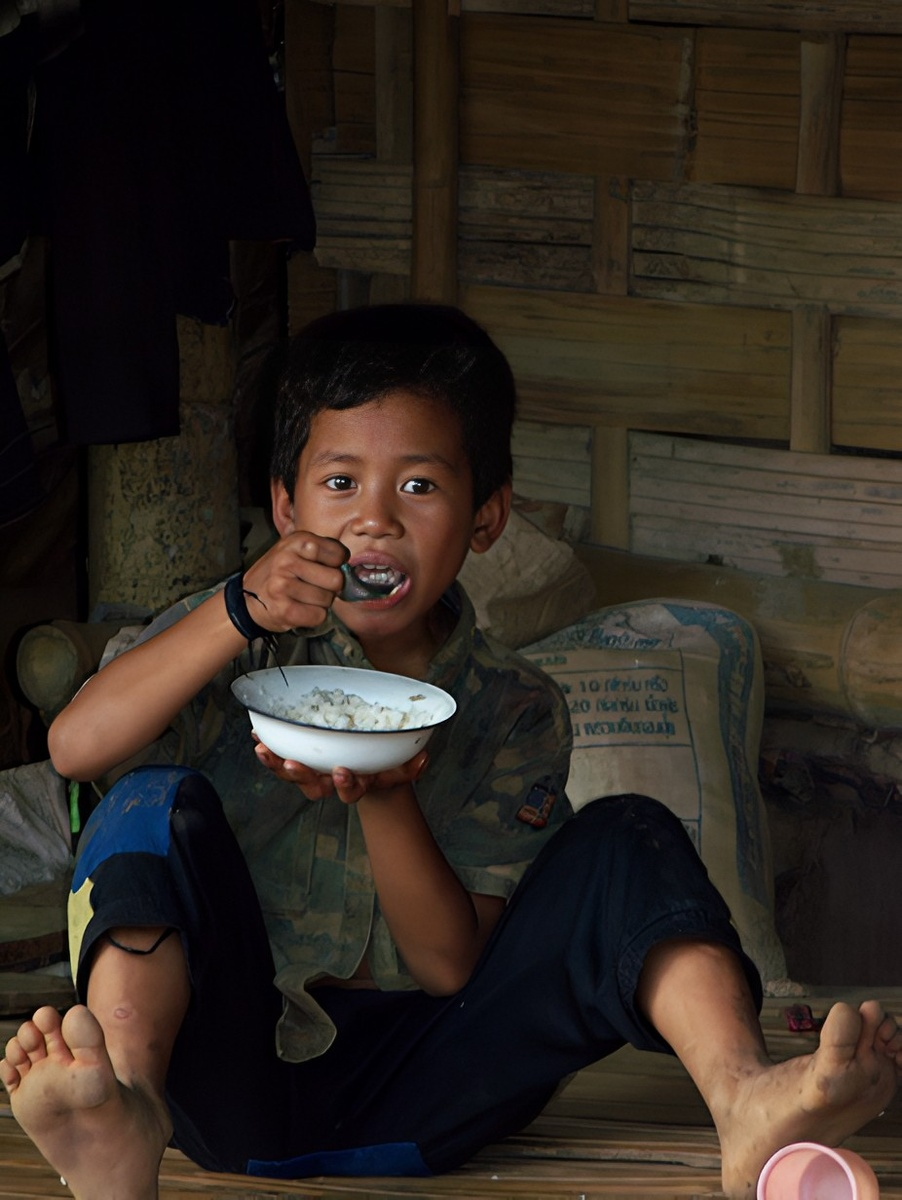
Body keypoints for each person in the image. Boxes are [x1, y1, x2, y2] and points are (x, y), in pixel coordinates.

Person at [2, 303, 900, 1200]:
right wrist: (235, 610)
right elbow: (77, 748)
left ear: (487, 517)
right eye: (342, 482)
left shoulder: (516, 709)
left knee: (630, 834)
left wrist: (387, 795)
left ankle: (744, 1100)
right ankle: (125, 1104)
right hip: (219, 1078)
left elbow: (446, 967)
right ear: (285, 504)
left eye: (420, 487)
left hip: (430, 1091)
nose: (378, 521)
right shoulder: (231, 639)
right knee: (145, 805)